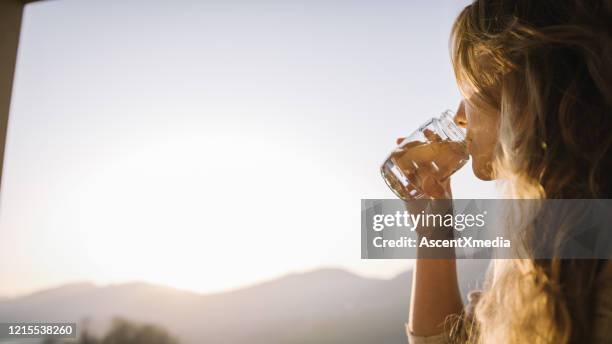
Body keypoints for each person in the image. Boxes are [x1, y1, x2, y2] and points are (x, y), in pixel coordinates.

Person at [404, 1, 612, 343]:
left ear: (523, 95)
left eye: (468, 92)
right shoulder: (540, 235)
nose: (458, 114)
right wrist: (433, 231)